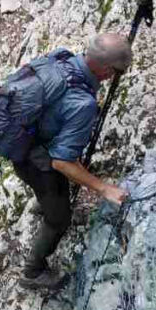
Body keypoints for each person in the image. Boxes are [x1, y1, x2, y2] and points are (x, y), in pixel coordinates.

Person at [15, 33, 132, 290]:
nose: (113, 77)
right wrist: (105, 189)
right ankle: (32, 273)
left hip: (20, 137)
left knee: (51, 185)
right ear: (104, 69)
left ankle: (44, 201)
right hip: (34, 157)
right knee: (59, 218)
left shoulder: (62, 56)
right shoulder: (83, 104)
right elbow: (62, 163)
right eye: (113, 72)